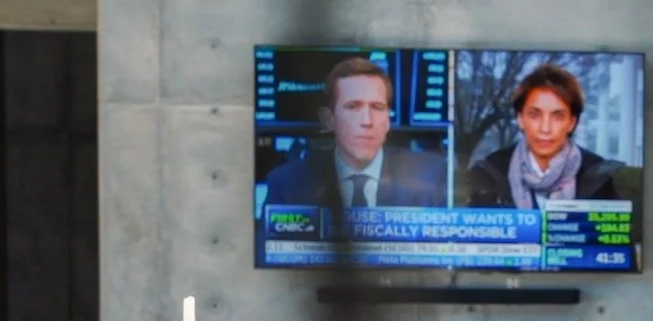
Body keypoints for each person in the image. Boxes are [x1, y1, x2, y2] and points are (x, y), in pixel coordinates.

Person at [260, 57, 448, 213]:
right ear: (329, 120)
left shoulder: (429, 177)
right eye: (352, 107)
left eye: (377, 107)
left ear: (388, 120)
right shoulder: (287, 184)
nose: (367, 120)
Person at [466, 63, 622, 209]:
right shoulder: (491, 173)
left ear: (571, 123)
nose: (545, 128)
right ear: (520, 119)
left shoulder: (597, 177)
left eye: (557, 116)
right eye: (535, 115)